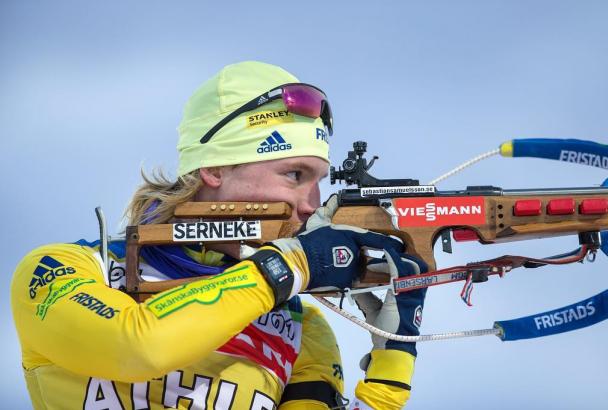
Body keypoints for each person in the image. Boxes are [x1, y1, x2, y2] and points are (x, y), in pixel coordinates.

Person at [11, 61, 428, 409]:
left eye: (319, 181)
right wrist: (287, 267)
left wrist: (388, 374)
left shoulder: (304, 325)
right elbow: (136, 348)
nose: (311, 204)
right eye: (294, 175)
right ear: (214, 169)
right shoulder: (65, 268)